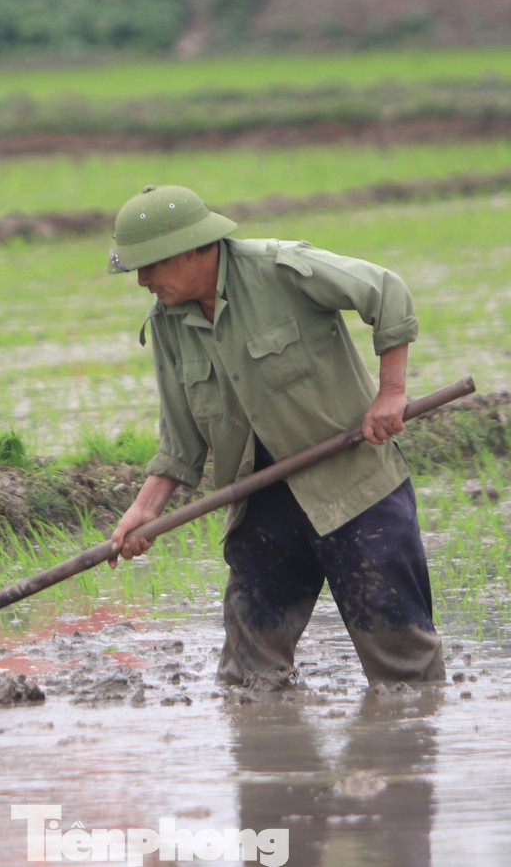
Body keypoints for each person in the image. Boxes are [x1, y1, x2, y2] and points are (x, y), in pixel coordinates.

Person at [106, 184, 445, 688]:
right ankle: (268, 761)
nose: (143, 282)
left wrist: (391, 391)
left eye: (149, 265)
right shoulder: (167, 323)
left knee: (405, 674)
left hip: (354, 490)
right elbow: (180, 433)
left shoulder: (281, 269)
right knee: (248, 679)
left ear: (193, 249)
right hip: (261, 503)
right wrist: (147, 509)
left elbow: (386, 290)